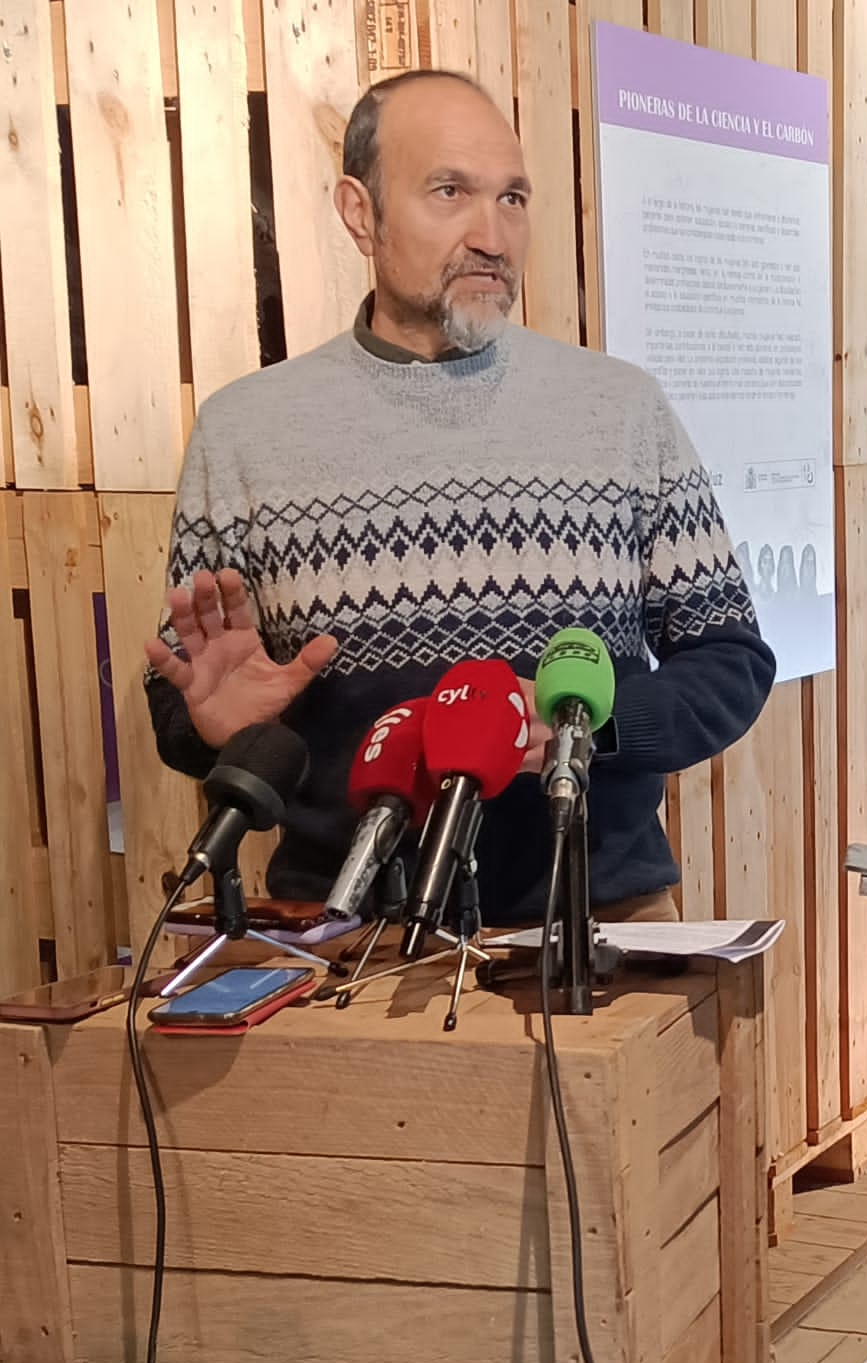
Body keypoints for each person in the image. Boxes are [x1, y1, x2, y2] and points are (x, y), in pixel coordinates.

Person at [145, 70, 776, 921]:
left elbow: (730, 663)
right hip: (339, 931)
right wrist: (213, 728)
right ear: (358, 210)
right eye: (450, 191)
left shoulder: (621, 409)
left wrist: (589, 728)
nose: (493, 234)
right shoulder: (243, 433)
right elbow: (184, 700)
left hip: (601, 922)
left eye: (513, 198)